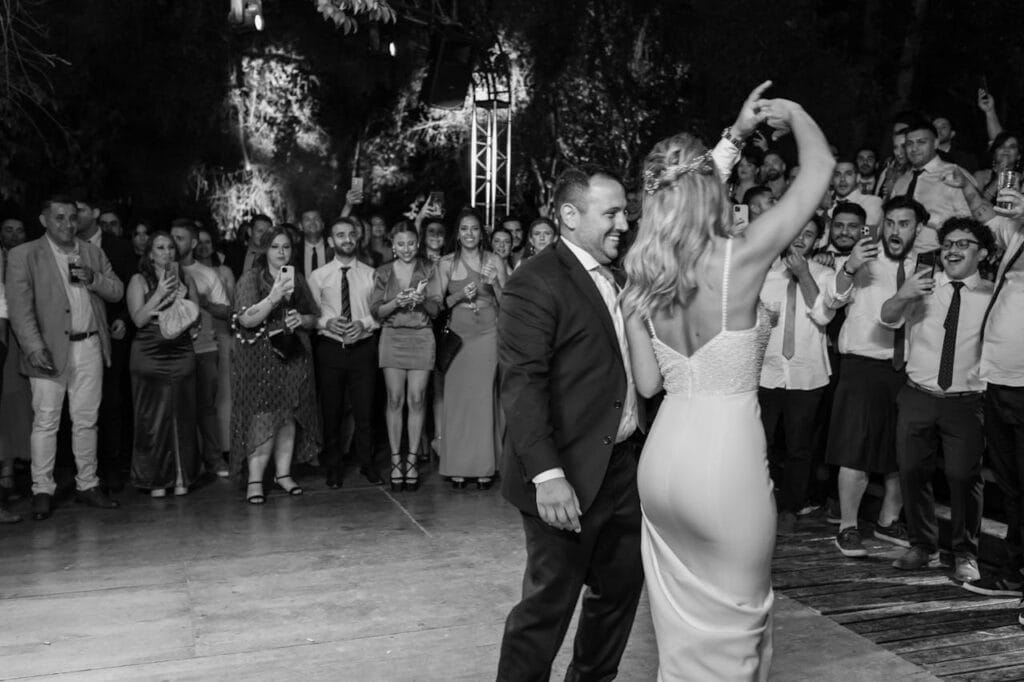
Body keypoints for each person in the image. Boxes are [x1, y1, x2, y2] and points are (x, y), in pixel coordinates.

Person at [495, 80, 778, 681]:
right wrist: (548, 476)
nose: (627, 221)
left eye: (627, 210)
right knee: (547, 608)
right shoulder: (534, 282)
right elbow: (521, 386)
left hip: (627, 469)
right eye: (612, 213)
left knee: (617, 601)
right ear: (569, 217)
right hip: (566, 474)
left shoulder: (629, 269)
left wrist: (734, 137)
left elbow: (676, 202)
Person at [620, 88, 833, 679]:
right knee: (736, 633)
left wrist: (732, 140)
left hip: (662, 467)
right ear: (710, 192)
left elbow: (645, 381)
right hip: (724, 469)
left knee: (683, 643)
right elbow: (819, 171)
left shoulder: (641, 271)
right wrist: (795, 114)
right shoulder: (739, 259)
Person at [880, 217, 993, 583]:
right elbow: (887, 318)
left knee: (963, 477)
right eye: (948, 244)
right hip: (918, 396)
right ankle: (922, 546)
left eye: (963, 244)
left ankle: (965, 552)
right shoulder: (923, 287)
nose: (953, 250)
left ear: (983, 254)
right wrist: (903, 293)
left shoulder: (993, 294)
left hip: (967, 400)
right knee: (912, 472)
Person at [823, 195, 932, 557]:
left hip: (907, 369)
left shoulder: (926, 266)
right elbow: (833, 300)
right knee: (855, 450)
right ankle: (849, 526)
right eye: (890, 222)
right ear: (881, 225)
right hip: (863, 365)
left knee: (902, 451)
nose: (895, 229)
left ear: (917, 228)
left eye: (904, 223)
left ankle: (888, 521)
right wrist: (851, 266)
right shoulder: (863, 259)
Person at [6, 195, 124, 521]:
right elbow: (19, 309)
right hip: (47, 349)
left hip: (88, 345)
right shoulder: (24, 255)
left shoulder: (91, 251)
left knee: (87, 419)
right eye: (59, 217)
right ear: (44, 219)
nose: (68, 224)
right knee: (46, 421)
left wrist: (94, 279)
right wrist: (32, 347)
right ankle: (41, 490)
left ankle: (88, 484)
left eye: (72, 217)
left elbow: (117, 290)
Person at [231, 226, 321, 504]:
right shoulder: (250, 280)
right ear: (264, 251)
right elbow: (246, 319)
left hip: (294, 354)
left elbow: (313, 317)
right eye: (275, 247)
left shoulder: (299, 280)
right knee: (263, 416)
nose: (281, 252)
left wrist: (301, 320)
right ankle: (255, 479)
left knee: (288, 415)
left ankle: (283, 474)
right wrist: (273, 298)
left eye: (286, 247)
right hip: (260, 357)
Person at [758, 216, 835, 534]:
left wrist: (804, 273)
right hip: (766, 372)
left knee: (799, 447)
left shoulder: (826, 275)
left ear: (817, 241)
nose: (802, 239)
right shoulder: (765, 273)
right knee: (760, 442)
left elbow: (823, 315)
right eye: (797, 232)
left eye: (810, 234)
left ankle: (790, 507)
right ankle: (757, 501)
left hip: (807, 374)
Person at [126, 232, 201, 497]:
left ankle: (182, 476)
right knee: (152, 417)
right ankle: (156, 478)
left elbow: (196, 317)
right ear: (149, 253)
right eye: (160, 248)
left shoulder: (185, 277)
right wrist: (159, 293)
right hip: (149, 350)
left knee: (183, 413)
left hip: (180, 349)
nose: (167, 252)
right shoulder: (138, 280)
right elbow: (137, 319)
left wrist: (182, 301)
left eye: (170, 247)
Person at [307, 217, 381, 489]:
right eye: (340, 235)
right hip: (330, 349)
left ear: (357, 238)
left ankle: (367, 464)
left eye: (351, 234)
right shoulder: (318, 276)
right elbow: (311, 316)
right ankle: (334, 467)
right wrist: (327, 322)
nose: (347, 239)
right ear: (330, 241)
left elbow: (380, 314)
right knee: (331, 411)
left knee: (365, 411)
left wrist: (364, 324)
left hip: (363, 347)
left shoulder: (371, 274)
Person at [437, 208, 506, 490]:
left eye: (474, 229)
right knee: (456, 400)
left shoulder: (494, 260)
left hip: (488, 334)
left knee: (482, 400)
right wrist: (455, 296)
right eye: (464, 228)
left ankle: (483, 468)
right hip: (459, 336)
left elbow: (510, 302)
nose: (469, 234)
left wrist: (495, 283)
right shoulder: (444, 264)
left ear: (481, 233)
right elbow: (436, 305)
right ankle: (457, 466)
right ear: (458, 233)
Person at [370, 223, 441, 491]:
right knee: (395, 399)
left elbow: (435, 309)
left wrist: (421, 300)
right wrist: (397, 302)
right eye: (401, 244)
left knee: (417, 398)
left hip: (421, 336)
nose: (406, 249)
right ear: (393, 245)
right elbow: (377, 311)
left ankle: (412, 459)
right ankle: (395, 459)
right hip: (392, 337)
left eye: (411, 243)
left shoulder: (429, 269)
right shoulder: (383, 272)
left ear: (417, 243)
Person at [76, 198, 137, 492]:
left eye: (81, 210)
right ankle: (83, 469)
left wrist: (125, 318)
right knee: (77, 409)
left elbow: (128, 286)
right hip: (75, 334)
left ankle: (112, 465)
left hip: (114, 333)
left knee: (112, 400)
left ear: (95, 213)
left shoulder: (119, 246)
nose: (75, 216)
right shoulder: (67, 247)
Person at [170, 219, 232, 478]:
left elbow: (226, 310)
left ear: (193, 243)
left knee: (206, 407)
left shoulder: (207, 274)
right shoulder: (159, 272)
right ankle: (184, 465)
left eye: (180, 238)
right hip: (171, 350)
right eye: (171, 237)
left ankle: (214, 458)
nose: (174, 243)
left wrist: (203, 302)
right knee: (176, 410)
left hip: (204, 347)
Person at [195, 226, 237, 460]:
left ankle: (226, 446)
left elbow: (232, 305)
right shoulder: (185, 271)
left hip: (221, 332)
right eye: (199, 241)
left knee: (223, 392)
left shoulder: (224, 271)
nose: (203, 246)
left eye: (207, 241)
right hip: (196, 336)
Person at [974, 131, 1021, 204]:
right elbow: (976, 206)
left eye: (1012, 147)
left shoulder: (1021, 178)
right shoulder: (981, 176)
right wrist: (998, 179)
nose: (1006, 150)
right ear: (994, 153)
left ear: (1019, 155)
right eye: (1001, 146)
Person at [298, 209, 329, 279]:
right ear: (300, 226)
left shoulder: (333, 248)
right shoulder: (294, 251)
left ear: (323, 224)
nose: (312, 222)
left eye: (316, 218)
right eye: (307, 220)